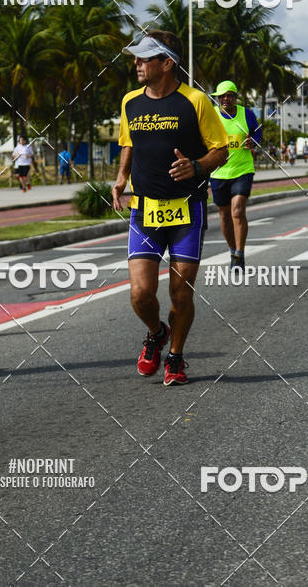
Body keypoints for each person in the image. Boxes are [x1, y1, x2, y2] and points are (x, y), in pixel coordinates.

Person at [112, 31, 228, 386]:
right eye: (136, 58)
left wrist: (196, 166)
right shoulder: (130, 101)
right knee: (141, 294)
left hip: (186, 210)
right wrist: (120, 180)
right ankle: (155, 332)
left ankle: (175, 357)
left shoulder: (195, 101)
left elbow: (220, 150)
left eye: (145, 58)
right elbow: (128, 143)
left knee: (181, 291)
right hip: (144, 209)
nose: (137, 64)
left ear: (167, 63)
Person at [208, 80, 261, 271]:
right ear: (217, 98)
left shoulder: (246, 114)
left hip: (242, 169)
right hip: (218, 172)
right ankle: (231, 249)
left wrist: (253, 142)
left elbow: (257, 132)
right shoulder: (212, 115)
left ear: (235, 97)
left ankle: (240, 253)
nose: (225, 99)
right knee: (224, 215)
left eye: (229, 95)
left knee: (237, 210)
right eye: (222, 96)